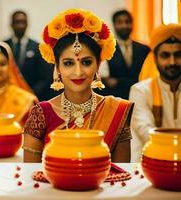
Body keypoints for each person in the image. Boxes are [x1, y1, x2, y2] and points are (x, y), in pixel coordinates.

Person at [23, 8, 134, 163]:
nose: (78, 72)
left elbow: (121, 175)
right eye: (68, 63)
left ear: (98, 65)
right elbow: (31, 175)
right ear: (57, 67)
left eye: (86, 62)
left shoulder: (116, 110)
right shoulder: (40, 114)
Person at [130, 23, 181, 162]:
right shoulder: (140, 91)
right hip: (147, 166)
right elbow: (146, 132)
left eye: (178, 55)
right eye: (165, 55)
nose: (172, 62)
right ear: (155, 59)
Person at [97, 10, 150, 100]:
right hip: (116, 98)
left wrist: (117, 81)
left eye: (127, 22)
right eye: (120, 22)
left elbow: (147, 78)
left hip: (141, 97)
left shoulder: (144, 49)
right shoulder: (105, 49)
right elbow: (106, 80)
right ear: (114, 25)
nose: (124, 26)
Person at [5, 10, 56, 101]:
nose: (20, 25)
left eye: (23, 22)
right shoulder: (5, 46)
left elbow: (45, 77)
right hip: (8, 97)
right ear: (11, 24)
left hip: (31, 97)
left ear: (27, 24)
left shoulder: (37, 47)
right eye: (17, 22)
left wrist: (30, 93)